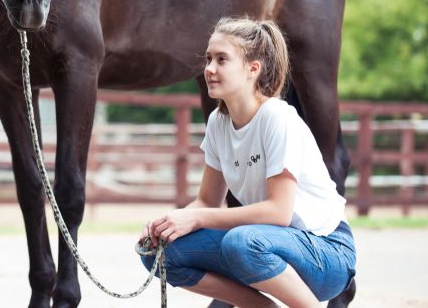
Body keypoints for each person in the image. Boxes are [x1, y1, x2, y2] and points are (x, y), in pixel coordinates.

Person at [139, 17, 356, 307]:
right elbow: (206, 202)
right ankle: (259, 306)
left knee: (241, 242)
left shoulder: (276, 117)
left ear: (253, 69)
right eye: (208, 59)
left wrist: (197, 218)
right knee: (158, 253)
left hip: (326, 252)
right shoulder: (218, 122)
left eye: (221, 60)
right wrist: (167, 224)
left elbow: (279, 212)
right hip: (266, 243)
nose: (209, 69)